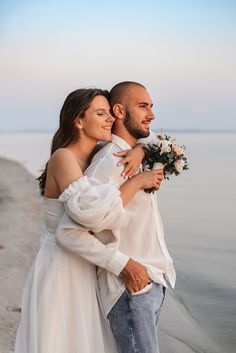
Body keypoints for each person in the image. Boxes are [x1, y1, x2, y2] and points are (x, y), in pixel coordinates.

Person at [14, 88, 164, 353]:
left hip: (87, 263)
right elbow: (93, 213)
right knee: (63, 340)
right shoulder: (63, 157)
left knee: (89, 341)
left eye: (109, 112)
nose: (110, 119)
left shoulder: (99, 153)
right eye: (100, 113)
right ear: (78, 120)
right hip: (62, 264)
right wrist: (139, 181)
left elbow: (154, 138)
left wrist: (140, 150)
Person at [57, 82, 176, 353]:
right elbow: (68, 231)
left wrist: (144, 149)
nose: (152, 114)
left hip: (151, 281)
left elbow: (162, 140)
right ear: (120, 111)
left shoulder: (137, 153)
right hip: (130, 287)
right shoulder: (111, 162)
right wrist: (127, 267)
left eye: (152, 106)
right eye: (143, 106)